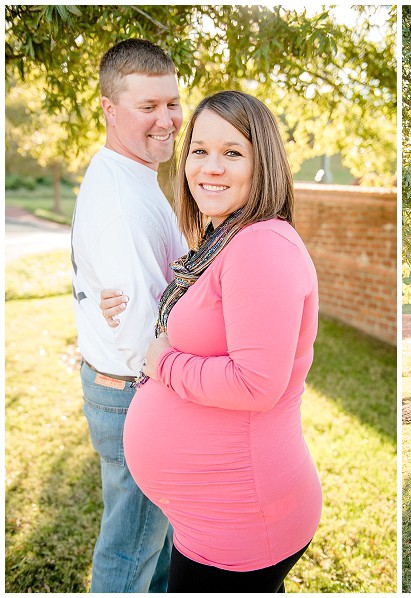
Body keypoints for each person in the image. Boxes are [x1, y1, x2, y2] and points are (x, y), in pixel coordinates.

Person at [102, 90, 322, 592]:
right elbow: (204, 321)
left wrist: (164, 364)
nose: (210, 167)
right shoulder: (226, 240)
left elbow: (255, 384)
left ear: (260, 162)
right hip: (221, 517)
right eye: (199, 150)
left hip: (242, 520)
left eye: (232, 152)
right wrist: (135, 308)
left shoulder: (261, 246)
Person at [71, 38, 187, 592]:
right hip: (133, 393)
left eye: (171, 103)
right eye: (148, 107)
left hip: (125, 388)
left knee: (155, 544)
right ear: (109, 110)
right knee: (128, 556)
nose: (167, 120)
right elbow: (143, 334)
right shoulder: (119, 201)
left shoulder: (133, 175)